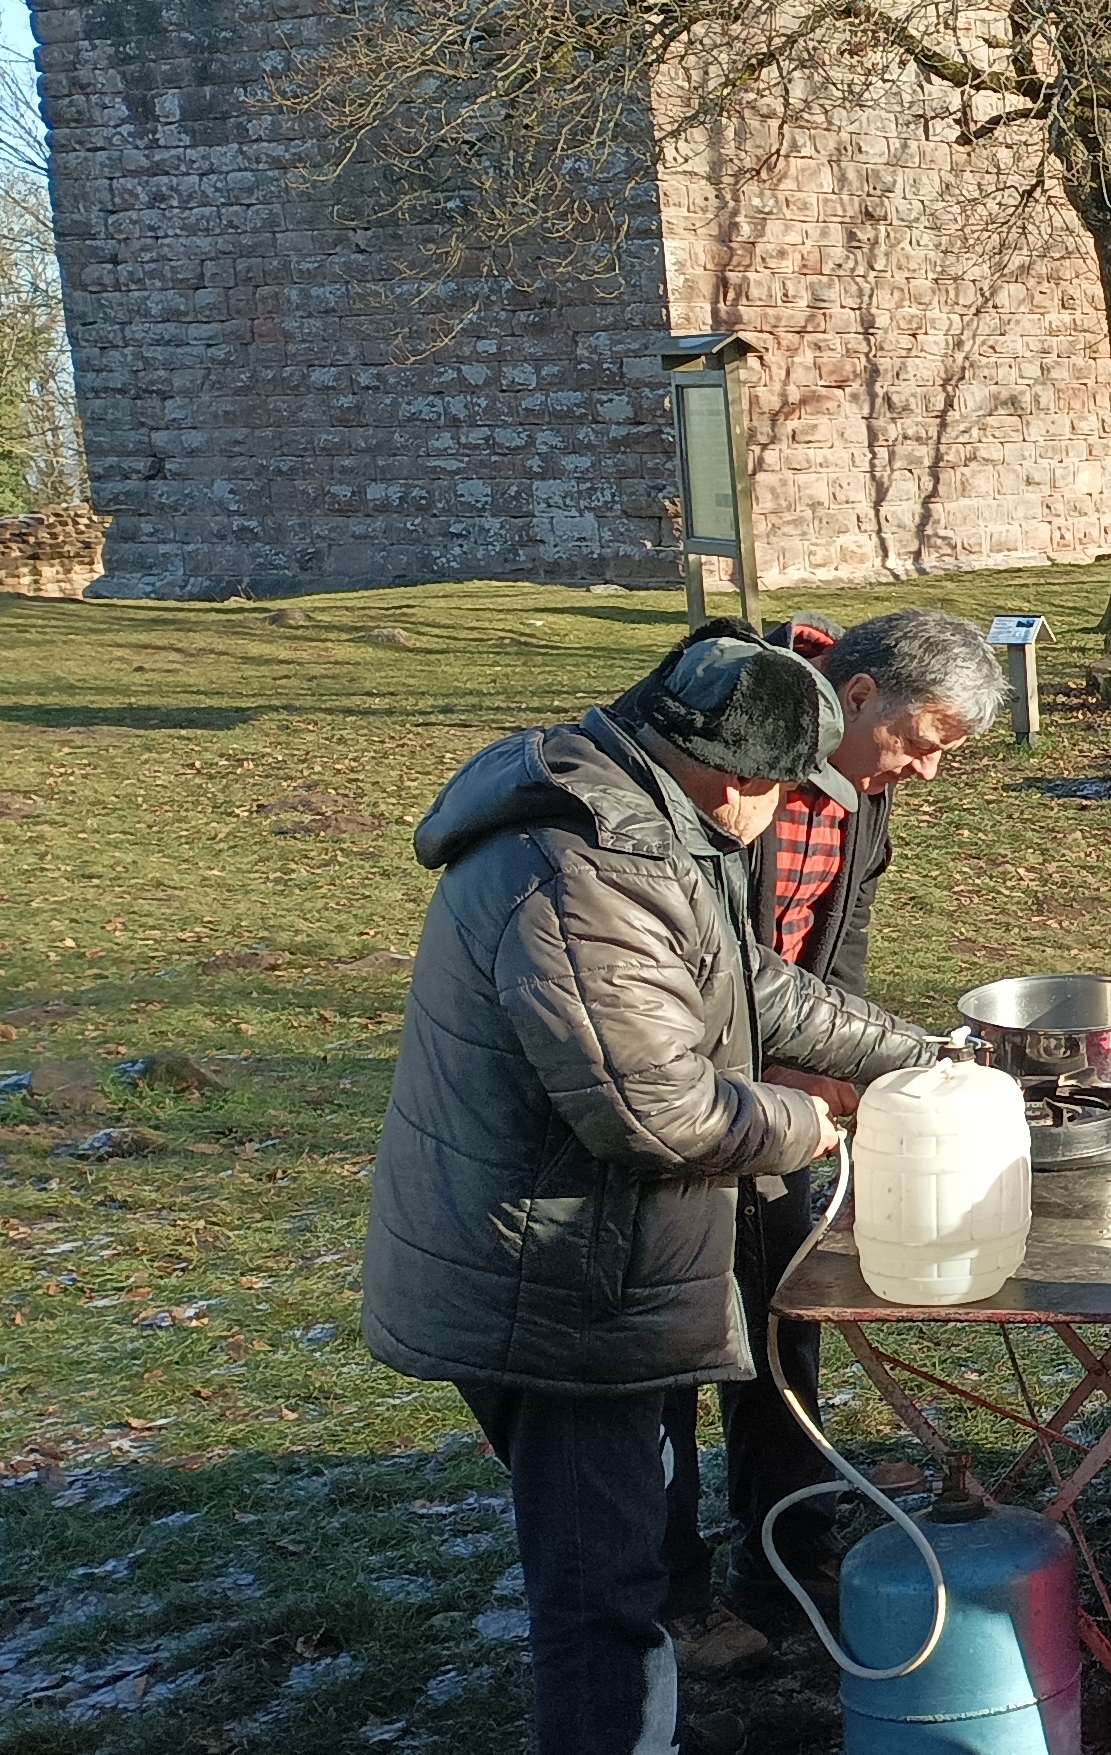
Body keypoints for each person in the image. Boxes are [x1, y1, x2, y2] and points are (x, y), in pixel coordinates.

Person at [363, 628, 940, 1755]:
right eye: (790, 793)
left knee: (615, 1564)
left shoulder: (647, 830)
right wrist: (809, 1124)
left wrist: (919, 1056)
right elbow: (654, 1112)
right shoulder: (585, 876)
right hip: (552, 1289)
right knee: (602, 1598)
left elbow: (753, 986)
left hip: (592, 1264)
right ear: (735, 782)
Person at [656, 609, 1001, 1666]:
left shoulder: (864, 782)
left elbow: (833, 946)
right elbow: (701, 961)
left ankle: (789, 1555)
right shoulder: (731, 755)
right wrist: (765, 1074)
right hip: (670, 1086)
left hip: (774, 1086)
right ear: (855, 698)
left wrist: (848, 1064)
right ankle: (668, 1596)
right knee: (668, 1347)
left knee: (782, 1319)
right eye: (922, 742)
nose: (928, 771)